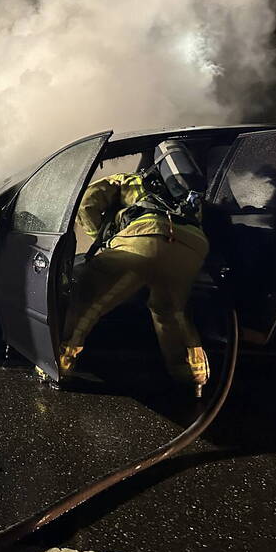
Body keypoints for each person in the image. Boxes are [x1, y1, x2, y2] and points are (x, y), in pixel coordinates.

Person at [43, 153, 211, 397]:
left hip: (144, 236)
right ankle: (193, 377)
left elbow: (86, 204)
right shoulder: (186, 195)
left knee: (88, 299)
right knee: (171, 312)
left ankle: (60, 364)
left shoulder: (129, 180)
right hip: (193, 247)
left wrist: (102, 238)